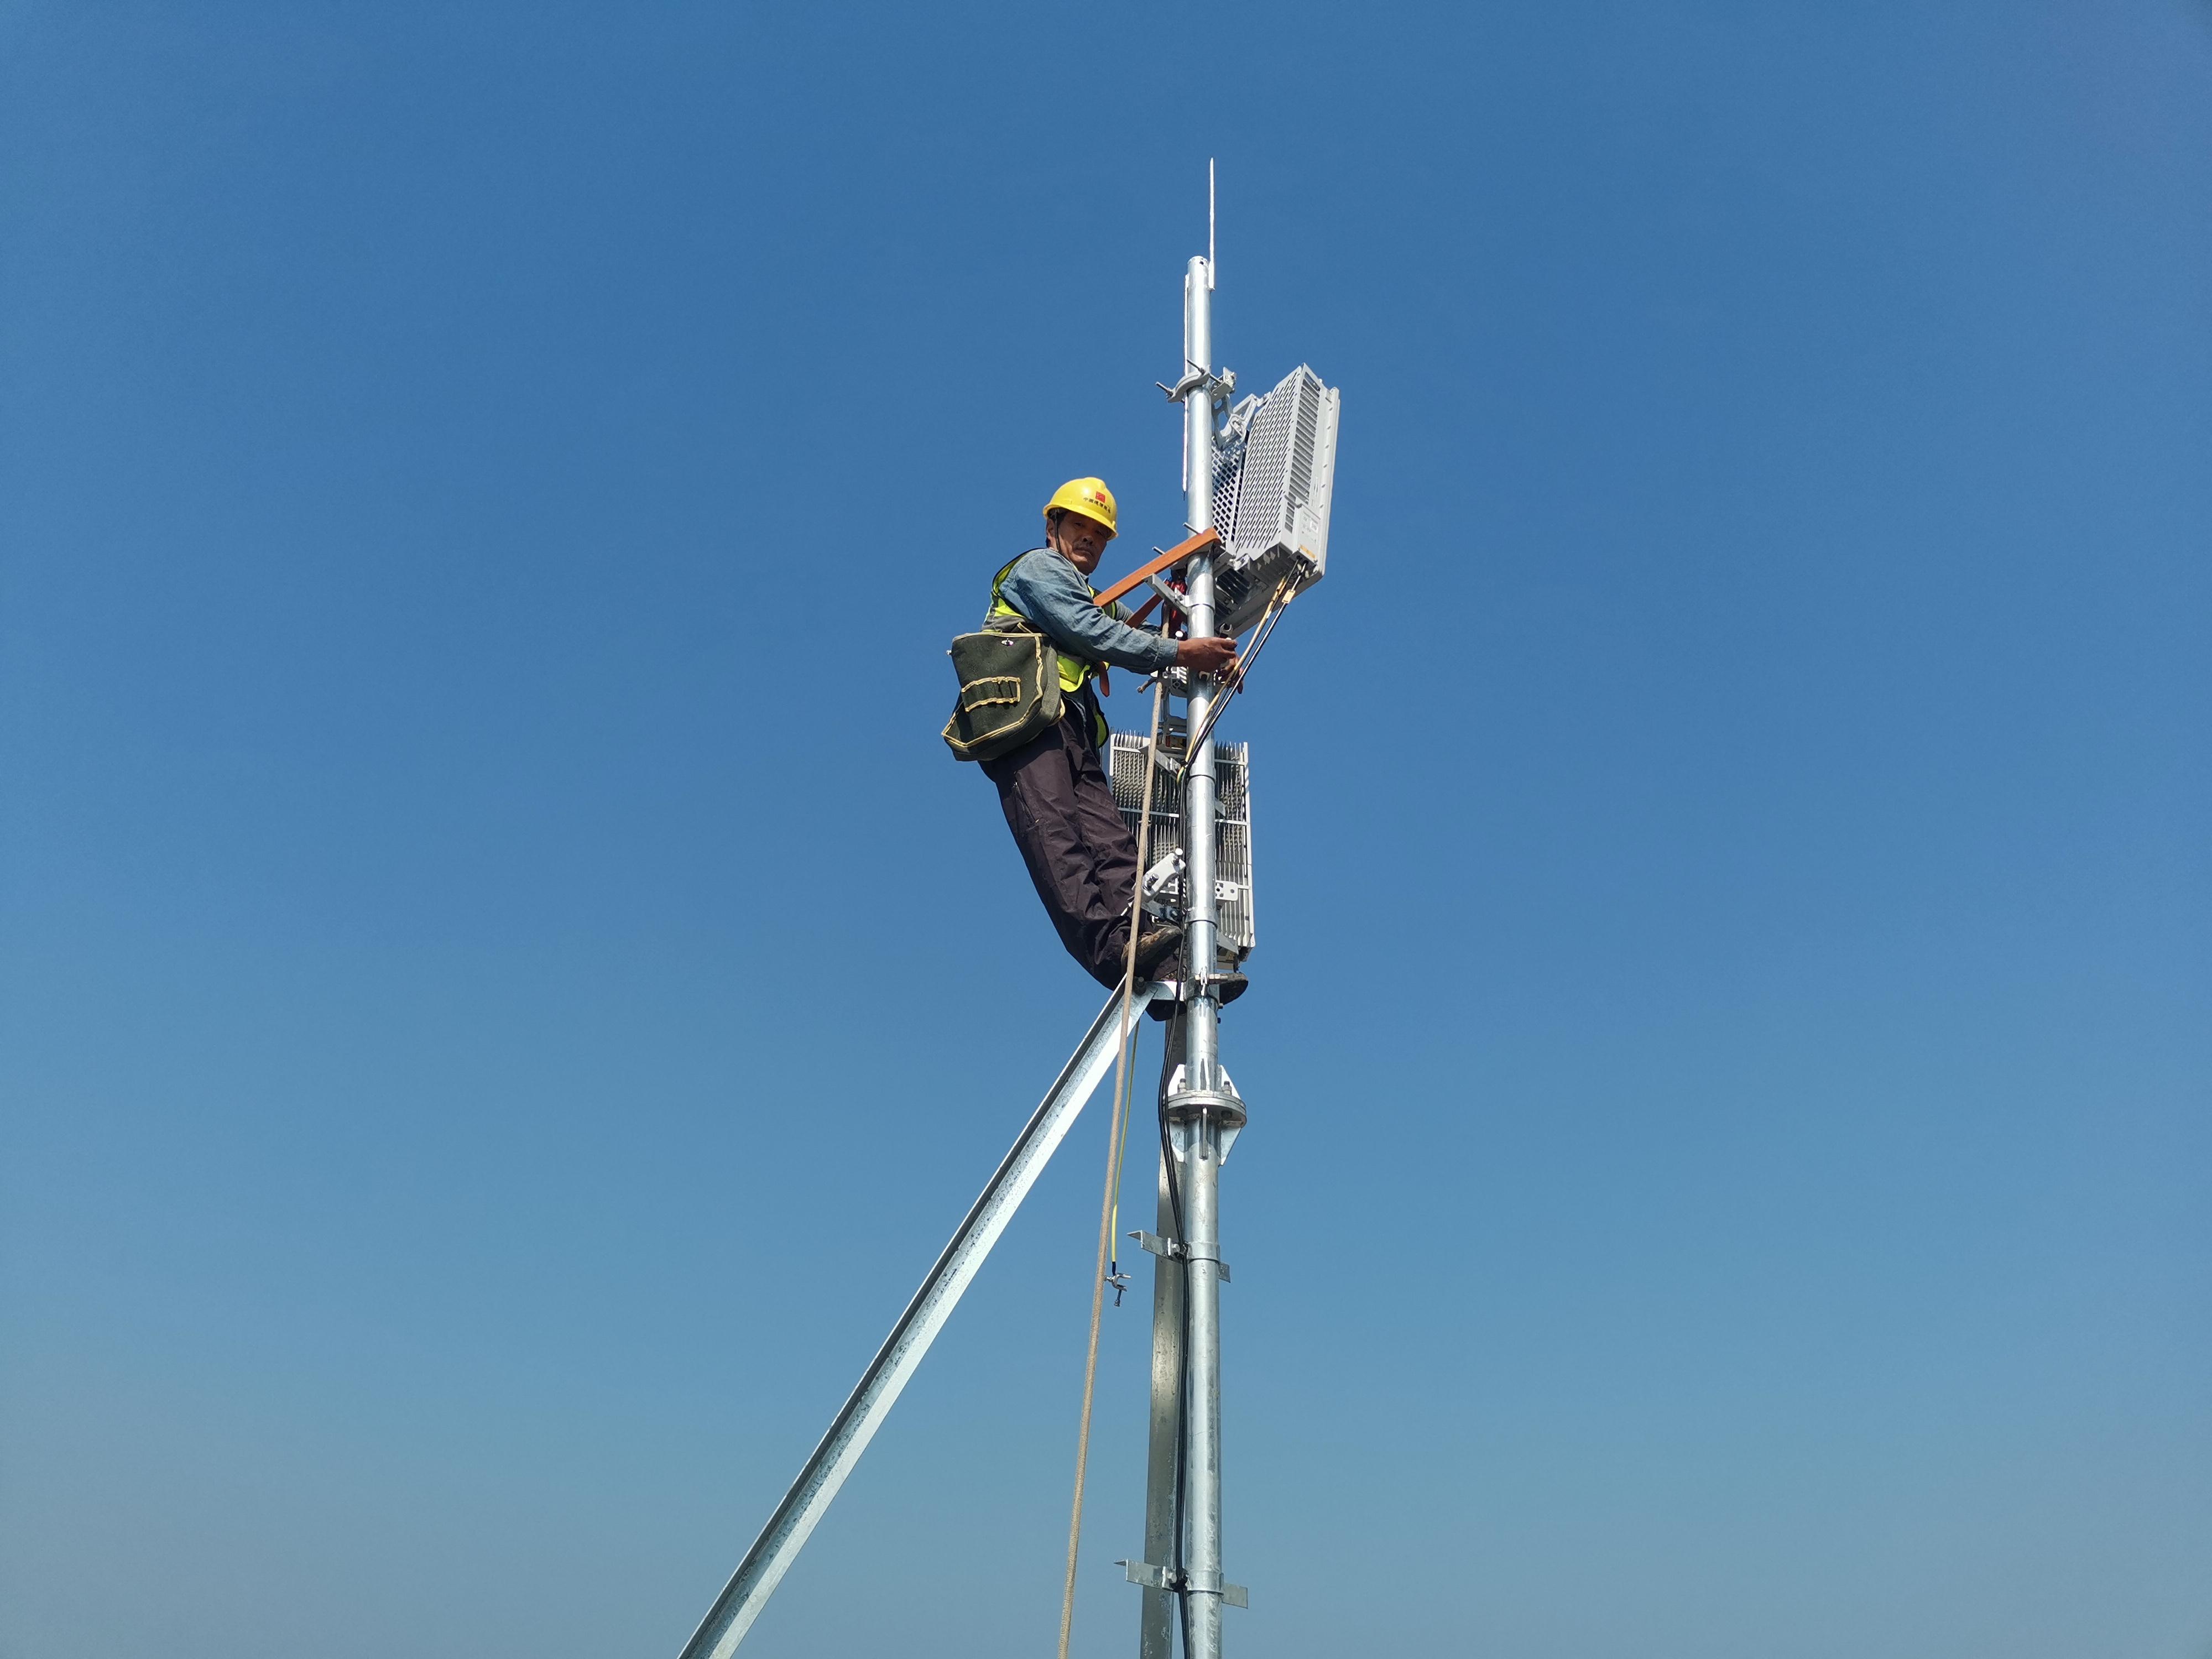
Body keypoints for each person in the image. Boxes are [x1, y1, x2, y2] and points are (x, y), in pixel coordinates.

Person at [981, 477, 1238, 989]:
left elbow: (1136, 633)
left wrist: (1205, 649)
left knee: (1114, 842)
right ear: (1052, 525)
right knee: (1057, 837)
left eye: (1099, 535)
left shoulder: (1094, 596)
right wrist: (1182, 654)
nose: (1090, 540)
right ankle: (1109, 951)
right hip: (1027, 727)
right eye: (1080, 526)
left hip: (1069, 726)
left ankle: (1158, 962)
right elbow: (1093, 632)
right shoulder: (1038, 571)